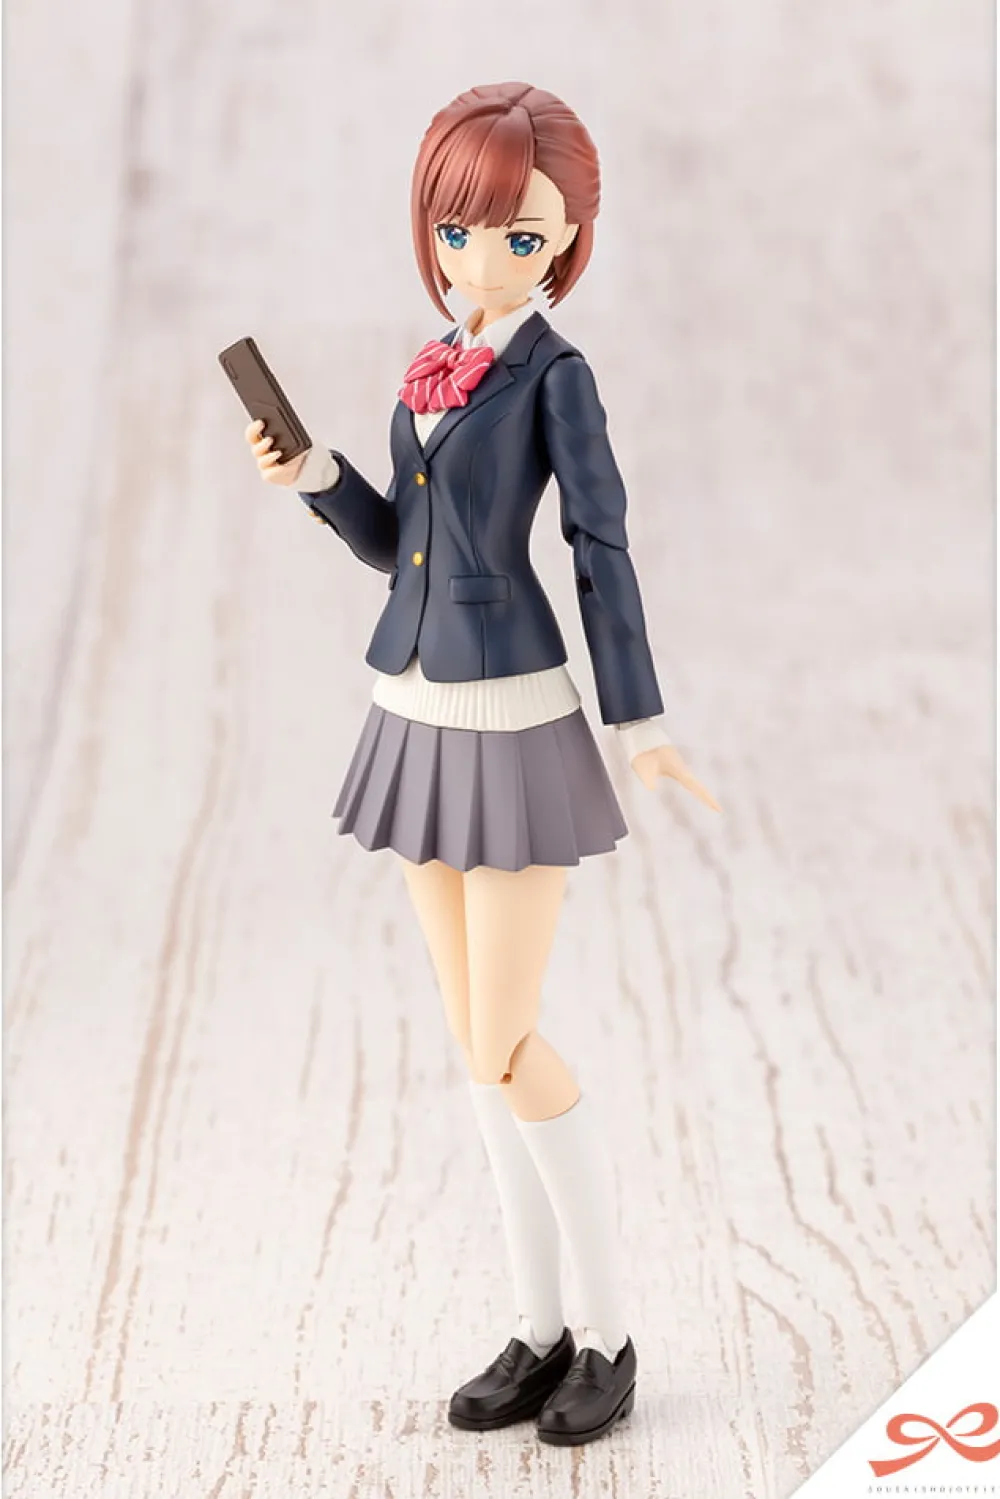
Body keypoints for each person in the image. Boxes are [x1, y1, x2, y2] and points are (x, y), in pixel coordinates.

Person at [244, 81, 719, 1447]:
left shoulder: (556, 376)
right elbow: (401, 542)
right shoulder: (435, 362)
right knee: (474, 1047)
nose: (485, 256)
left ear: (562, 241)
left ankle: (611, 1331)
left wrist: (641, 722)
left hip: (513, 713)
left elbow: (599, 547)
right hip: (412, 705)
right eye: (461, 230)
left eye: (520, 235)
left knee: (507, 1039)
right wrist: (320, 478)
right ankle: (536, 1322)